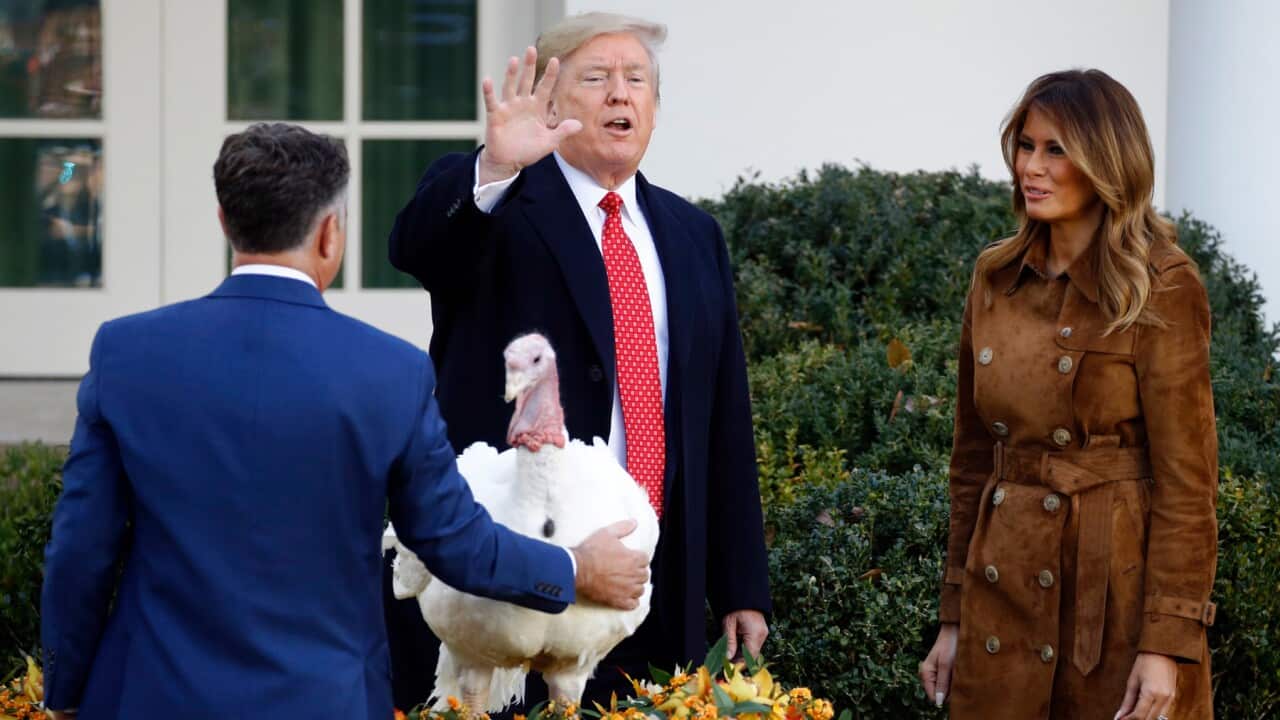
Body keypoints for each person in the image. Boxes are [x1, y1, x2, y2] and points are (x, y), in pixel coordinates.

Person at [39, 122, 649, 719]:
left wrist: (64, 691)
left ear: (226, 223)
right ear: (331, 234)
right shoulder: (391, 371)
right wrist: (574, 568)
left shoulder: (126, 353)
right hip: (325, 698)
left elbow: (80, 550)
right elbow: (453, 543)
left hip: (152, 695)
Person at [385, 11, 772, 711]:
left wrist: (741, 584)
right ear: (553, 99)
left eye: (637, 81)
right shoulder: (501, 201)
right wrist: (498, 163)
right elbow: (417, 249)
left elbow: (723, 420)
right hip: (516, 581)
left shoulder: (692, 235)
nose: (621, 95)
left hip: (652, 576)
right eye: (597, 79)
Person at [918, 69, 1218, 720]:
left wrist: (1168, 643)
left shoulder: (1161, 284)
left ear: (1108, 160)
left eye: (1057, 149)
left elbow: (1187, 487)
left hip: (1114, 613)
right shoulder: (995, 276)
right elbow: (971, 466)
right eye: (1027, 145)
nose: (1033, 166)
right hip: (1003, 602)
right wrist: (953, 619)